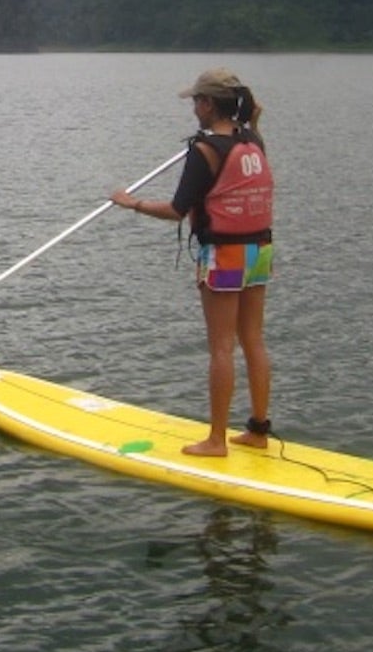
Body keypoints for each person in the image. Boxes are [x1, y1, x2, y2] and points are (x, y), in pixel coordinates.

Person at [111, 68, 275, 458]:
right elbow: (249, 134)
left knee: (221, 348)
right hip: (259, 250)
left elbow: (177, 210)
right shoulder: (252, 140)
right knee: (253, 340)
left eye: (196, 101)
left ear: (208, 104)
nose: (193, 108)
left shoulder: (204, 151)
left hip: (225, 254)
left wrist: (132, 203)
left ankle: (216, 440)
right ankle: (258, 430)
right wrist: (252, 119)